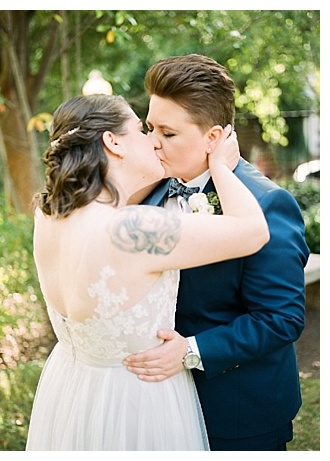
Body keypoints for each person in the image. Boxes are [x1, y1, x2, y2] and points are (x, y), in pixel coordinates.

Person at [26, 93, 269, 450]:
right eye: (140, 130)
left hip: (71, 390)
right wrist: (219, 165)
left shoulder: (48, 216)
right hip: (136, 400)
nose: (152, 141)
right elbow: (253, 232)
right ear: (113, 142)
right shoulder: (133, 229)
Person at [124, 54, 309, 451]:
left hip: (238, 410)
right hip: (158, 405)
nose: (153, 141)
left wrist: (189, 352)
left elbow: (281, 319)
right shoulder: (151, 191)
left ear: (213, 138)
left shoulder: (268, 204)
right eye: (149, 127)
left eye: (168, 133)